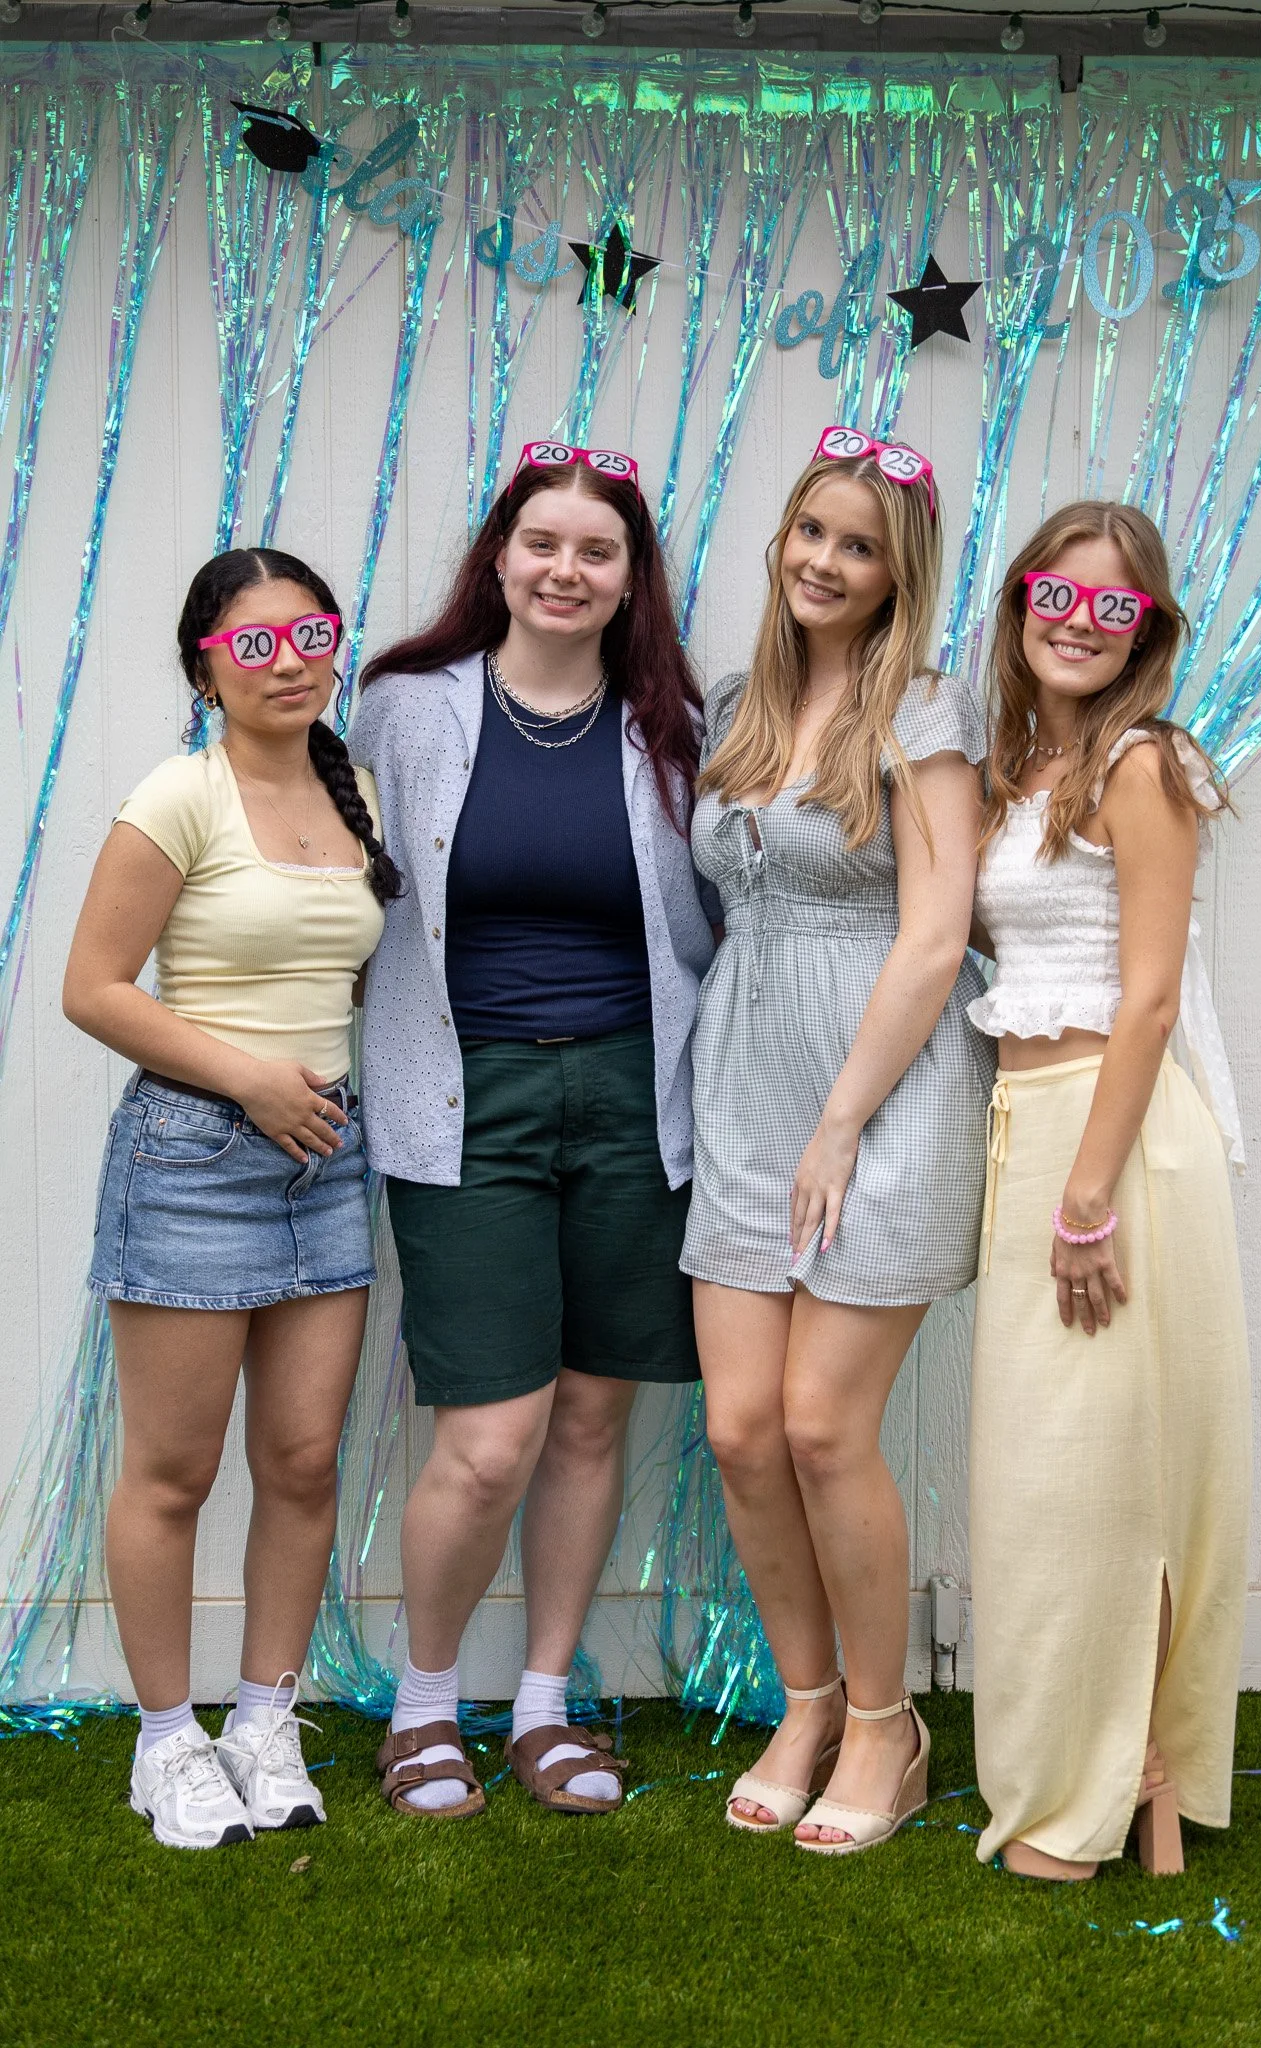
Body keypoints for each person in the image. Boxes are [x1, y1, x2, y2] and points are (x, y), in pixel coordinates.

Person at [349, 440, 713, 1820]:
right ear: (498, 556)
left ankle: (548, 1707)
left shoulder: (674, 723)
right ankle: (426, 1707)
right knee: (490, 1434)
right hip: (463, 1098)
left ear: (631, 581)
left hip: (637, 1096)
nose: (568, 570)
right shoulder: (403, 707)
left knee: (588, 1417)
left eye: (598, 551)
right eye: (543, 543)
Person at [684, 427, 992, 1855]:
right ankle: (805, 1701)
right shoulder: (739, 705)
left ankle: (887, 1725)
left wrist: (841, 1125)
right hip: (744, 1080)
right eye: (811, 531)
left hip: (883, 1084)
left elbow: (934, 941)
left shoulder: (925, 717)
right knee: (744, 1430)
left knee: (822, 1426)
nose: (825, 561)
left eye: (858, 545)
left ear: (896, 573)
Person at [64, 548, 400, 1850]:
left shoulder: (351, 792)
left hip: (327, 1160)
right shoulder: (177, 797)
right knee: (173, 1469)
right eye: (255, 643)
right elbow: (94, 988)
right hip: (194, 1157)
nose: (290, 660)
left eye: (310, 633)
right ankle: (167, 1743)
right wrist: (253, 1080)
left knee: (304, 1461)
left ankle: (265, 1719)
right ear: (205, 665)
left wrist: (301, 1090)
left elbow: (346, 971)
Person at [967, 500, 1250, 1880]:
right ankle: (1086, 1772)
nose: (1077, 623)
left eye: (1112, 607)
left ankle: (1103, 1788)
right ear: (1021, 604)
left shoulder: (1144, 765)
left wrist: (1087, 1202)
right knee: (1050, 1481)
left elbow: (1146, 1004)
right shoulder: (1028, 769)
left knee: (1101, 1484)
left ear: (1149, 632)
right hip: (1036, 1123)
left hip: (1113, 1142)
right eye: (1054, 595)